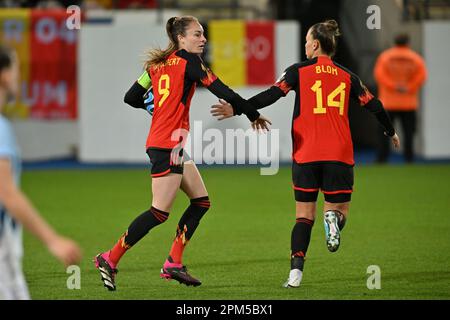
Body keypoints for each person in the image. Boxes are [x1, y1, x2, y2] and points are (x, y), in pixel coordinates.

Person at [211, 20, 400, 288]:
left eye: (307, 41)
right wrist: (390, 131)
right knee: (339, 210)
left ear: (314, 44)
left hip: (306, 153)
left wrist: (238, 108)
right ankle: (333, 219)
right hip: (339, 153)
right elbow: (375, 105)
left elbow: (271, 95)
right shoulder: (348, 76)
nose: (305, 46)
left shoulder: (297, 72)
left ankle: (295, 274)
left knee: (303, 217)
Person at [94, 15, 271, 291]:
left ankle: (173, 263)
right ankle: (109, 257)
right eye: (198, 34)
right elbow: (220, 89)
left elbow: (131, 97)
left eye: (203, 34)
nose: (203, 39)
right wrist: (252, 113)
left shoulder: (155, 65)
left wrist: (154, 108)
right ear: (181, 38)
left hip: (169, 143)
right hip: (167, 145)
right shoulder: (190, 62)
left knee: (201, 202)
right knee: (158, 212)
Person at [0, 45, 82, 300]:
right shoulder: (1, 129)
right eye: (16, 69)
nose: (18, 76)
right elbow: (8, 194)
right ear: (3, 75)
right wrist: (52, 240)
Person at [374, 33, 427, 163]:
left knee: (384, 133)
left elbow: (379, 75)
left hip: (388, 103)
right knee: (409, 133)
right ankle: (409, 159)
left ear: (395, 42)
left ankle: (382, 159)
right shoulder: (415, 58)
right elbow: (422, 76)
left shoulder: (385, 57)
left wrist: (394, 86)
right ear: (408, 43)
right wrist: (408, 87)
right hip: (408, 103)